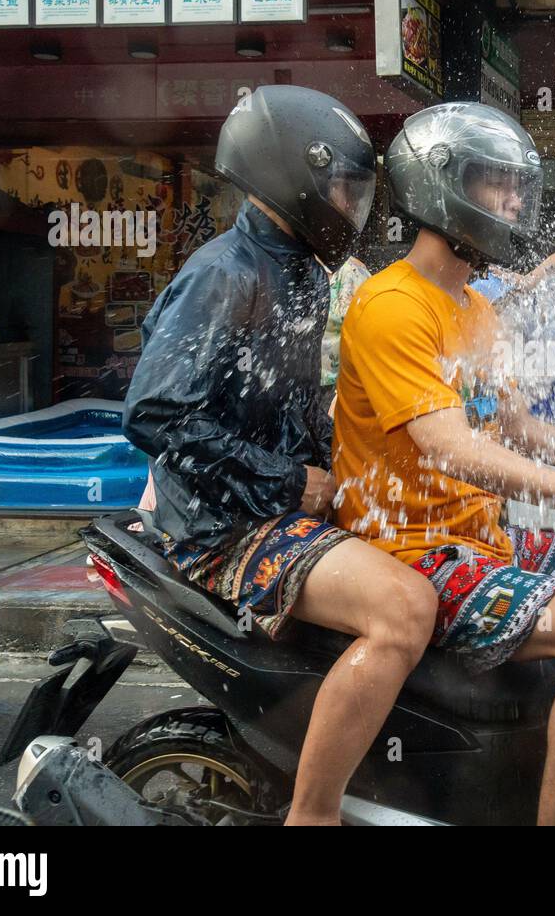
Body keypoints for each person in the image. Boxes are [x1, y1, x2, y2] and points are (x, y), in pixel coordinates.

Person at [332, 102, 555, 826]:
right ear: (443, 187)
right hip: (414, 550)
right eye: (499, 185)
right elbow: (452, 447)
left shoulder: (474, 307)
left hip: (479, 536)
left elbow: (515, 428)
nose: (516, 202)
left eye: (519, 186)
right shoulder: (392, 305)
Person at [123, 86, 438, 826]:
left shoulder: (299, 269)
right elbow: (155, 413)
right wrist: (289, 480)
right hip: (219, 528)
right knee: (402, 610)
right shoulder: (223, 273)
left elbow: (294, 405)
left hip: (271, 506)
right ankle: (315, 814)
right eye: (339, 186)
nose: (347, 205)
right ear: (288, 175)